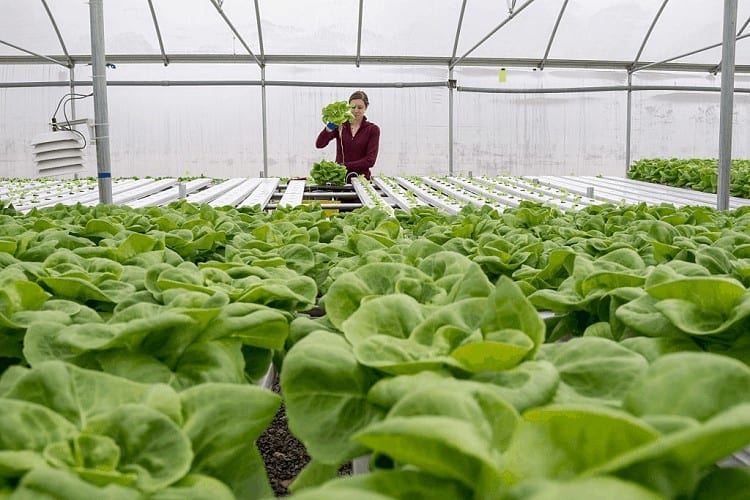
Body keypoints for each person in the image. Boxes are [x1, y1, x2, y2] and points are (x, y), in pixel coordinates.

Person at [315, 90, 380, 182]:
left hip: (362, 179)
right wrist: (328, 129)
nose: (356, 110)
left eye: (360, 107)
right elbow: (319, 144)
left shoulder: (372, 129)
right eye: (353, 107)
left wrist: (343, 165)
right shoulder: (341, 126)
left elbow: (370, 161)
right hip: (339, 178)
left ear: (366, 107)